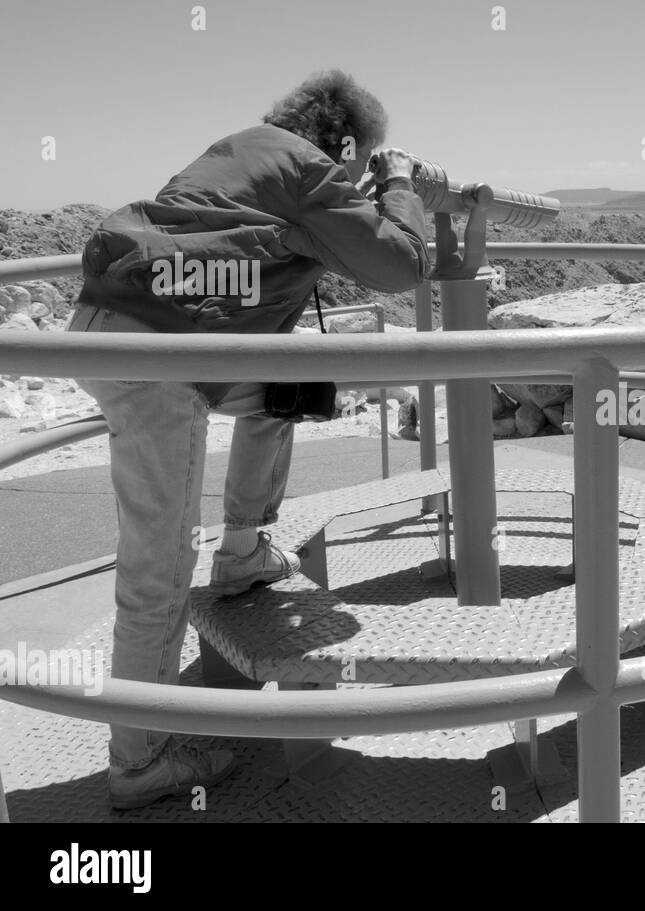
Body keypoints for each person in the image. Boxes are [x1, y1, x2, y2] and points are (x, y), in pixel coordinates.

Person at [65, 70, 429, 810]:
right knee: (159, 570)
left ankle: (242, 550)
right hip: (155, 358)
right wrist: (397, 186)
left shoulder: (241, 150)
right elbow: (399, 263)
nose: (355, 179)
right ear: (347, 142)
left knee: (284, 387)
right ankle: (137, 763)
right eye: (362, 161)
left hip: (116, 329)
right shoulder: (308, 166)